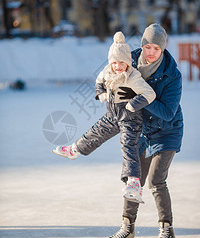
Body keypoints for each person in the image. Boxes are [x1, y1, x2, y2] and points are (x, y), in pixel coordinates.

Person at [52, 31, 156, 203]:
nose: (118, 67)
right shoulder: (107, 71)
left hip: (130, 118)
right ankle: (74, 150)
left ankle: (133, 183)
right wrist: (100, 93)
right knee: (96, 132)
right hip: (113, 115)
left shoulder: (133, 77)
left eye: (122, 62)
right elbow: (99, 80)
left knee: (128, 146)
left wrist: (132, 104)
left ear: (128, 62)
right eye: (115, 63)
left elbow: (149, 94)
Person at [109, 23, 183, 238]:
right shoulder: (128, 61)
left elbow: (168, 112)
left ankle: (166, 229)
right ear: (142, 45)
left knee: (156, 180)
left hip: (167, 130)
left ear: (163, 49)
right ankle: (127, 227)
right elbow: (111, 75)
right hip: (140, 130)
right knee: (134, 179)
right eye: (147, 46)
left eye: (156, 48)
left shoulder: (172, 75)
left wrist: (138, 98)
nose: (150, 52)